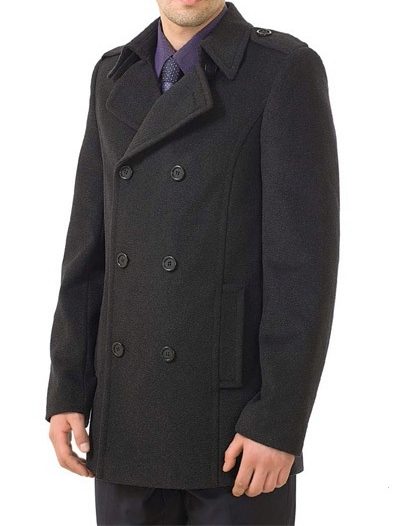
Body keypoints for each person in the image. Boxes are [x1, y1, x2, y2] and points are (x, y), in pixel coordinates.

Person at [45, 1, 340, 524]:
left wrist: (278, 422)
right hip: (125, 414)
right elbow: (88, 244)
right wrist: (69, 385)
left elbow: (303, 267)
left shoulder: (282, 69)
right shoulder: (113, 74)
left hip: (233, 429)